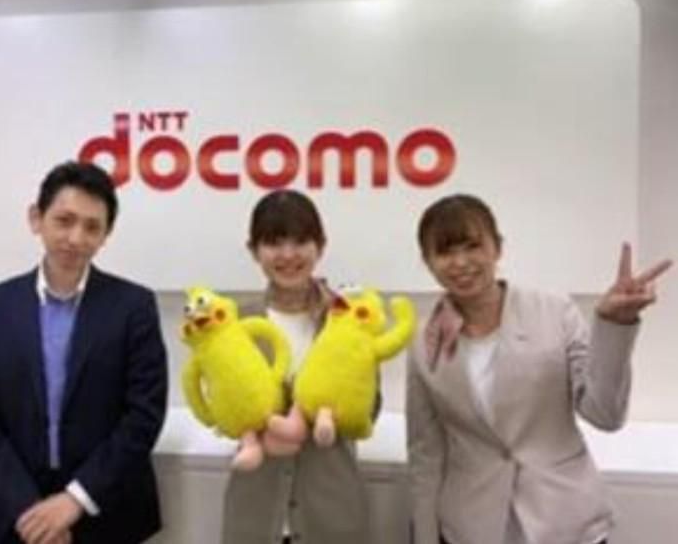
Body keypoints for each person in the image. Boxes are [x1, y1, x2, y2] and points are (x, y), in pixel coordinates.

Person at [405, 194, 672, 544]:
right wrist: (425, 537)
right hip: (472, 527)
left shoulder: (553, 311)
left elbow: (604, 414)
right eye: (444, 252)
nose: (460, 263)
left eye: (473, 246)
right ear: (427, 261)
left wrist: (614, 325)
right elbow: (425, 454)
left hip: (566, 518)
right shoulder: (423, 344)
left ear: (497, 248)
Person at [0, 161, 168, 544]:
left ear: (106, 234)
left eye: (92, 227)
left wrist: (75, 500)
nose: (76, 237)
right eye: (64, 221)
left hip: (106, 514)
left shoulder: (134, 307)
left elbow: (143, 415)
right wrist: (32, 513)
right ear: (37, 219)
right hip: (11, 516)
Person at [220, 189, 371, 544]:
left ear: (321, 245)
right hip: (254, 513)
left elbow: (369, 409)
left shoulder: (349, 318)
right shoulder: (235, 325)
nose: (288, 255)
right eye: (274, 242)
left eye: (301, 241)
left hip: (332, 514)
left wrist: (310, 416)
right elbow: (226, 415)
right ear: (254, 250)